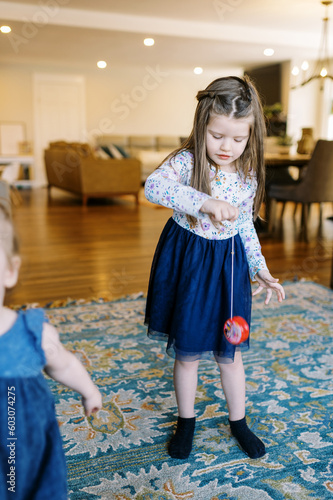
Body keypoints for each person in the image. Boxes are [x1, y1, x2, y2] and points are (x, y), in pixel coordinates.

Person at [144, 75, 285, 460]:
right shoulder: (185, 162)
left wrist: (260, 268)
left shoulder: (248, 175)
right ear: (202, 124)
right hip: (188, 264)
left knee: (231, 352)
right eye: (217, 135)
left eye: (238, 139)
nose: (227, 147)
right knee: (187, 353)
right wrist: (203, 202)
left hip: (230, 268)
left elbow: (245, 229)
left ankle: (238, 421)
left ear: (251, 136)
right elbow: (153, 187)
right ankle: (186, 421)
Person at [0, 205, 102, 499]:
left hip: (25, 443)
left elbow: (63, 364)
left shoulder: (32, 332)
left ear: (9, 272)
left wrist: (89, 391)